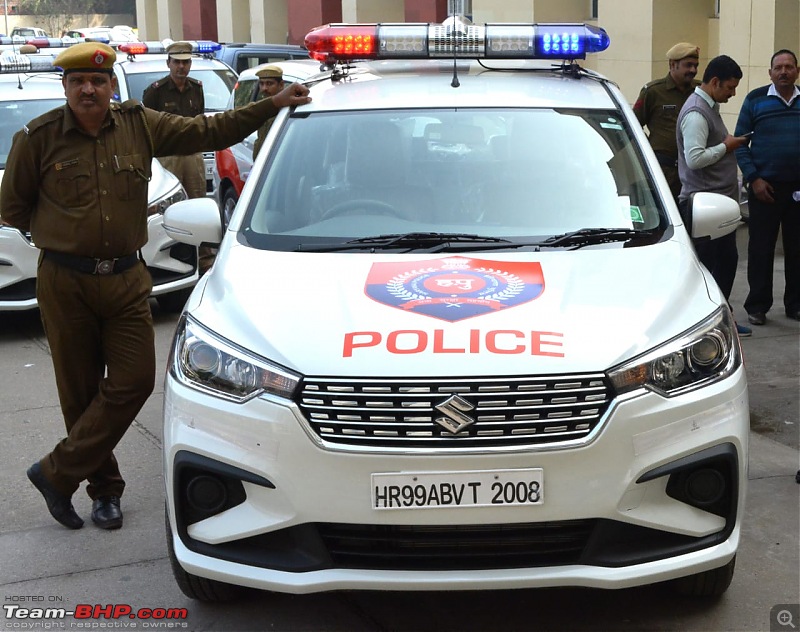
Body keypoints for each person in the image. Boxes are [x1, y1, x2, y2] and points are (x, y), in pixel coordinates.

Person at [0, 42, 310, 531]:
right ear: (65, 86)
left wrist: (271, 103)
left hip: (125, 278)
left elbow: (209, 129)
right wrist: (62, 233)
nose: (89, 89)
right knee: (78, 393)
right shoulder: (36, 139)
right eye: (79, 81)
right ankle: (104, 491)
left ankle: (56, 473)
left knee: (135, 380)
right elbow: (12, 208)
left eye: (98, 81)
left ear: (110, 87)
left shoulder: (138, 123)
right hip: (64, 281)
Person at [676, 54, 752, 337]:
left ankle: (721, 317)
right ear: (715, 82)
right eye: (730, 87)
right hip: (704, 206)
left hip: (716, 205)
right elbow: (694, 159)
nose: (733, 93)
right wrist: (727, 146)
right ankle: (708, 325)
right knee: (713, 268)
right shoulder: (697, 112)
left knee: (725, 263)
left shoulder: (708, 106)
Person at [733, 49, 800, 325]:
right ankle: (758, 306)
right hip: (764, 188)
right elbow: (739, 143)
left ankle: (795, 305)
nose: (783, 71)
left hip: (798, 190)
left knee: (798, 249)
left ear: (797, 71)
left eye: (788, 67)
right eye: (778, 67)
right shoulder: (755, 100)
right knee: (761, 249)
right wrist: (754, 178)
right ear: (770, 73)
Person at [141, 41, 214, 273]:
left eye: (186, 62)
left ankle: (204, 258)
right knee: (170, 207)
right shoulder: (155, 91)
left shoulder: (197, 88)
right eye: (177, 62)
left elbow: (199, 121)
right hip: (168, 157)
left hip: (192, 155)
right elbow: (148, 127)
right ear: (169, 63)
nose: (181, 67)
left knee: (197, 204)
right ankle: (172, 254)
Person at [634, 42, 701, 201]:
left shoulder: (699, 91)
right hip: (664, 169)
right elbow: (634, 126)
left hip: (694, 172)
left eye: (696, 66)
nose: (693, 70)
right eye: (688, 65)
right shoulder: (653, 91)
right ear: (673, 65)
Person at [252, 65, 285, 160]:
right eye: (261, 84)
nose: (264, 88)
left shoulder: (286, 112)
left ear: (281, 85)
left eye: (269, 84)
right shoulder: (262, 110)